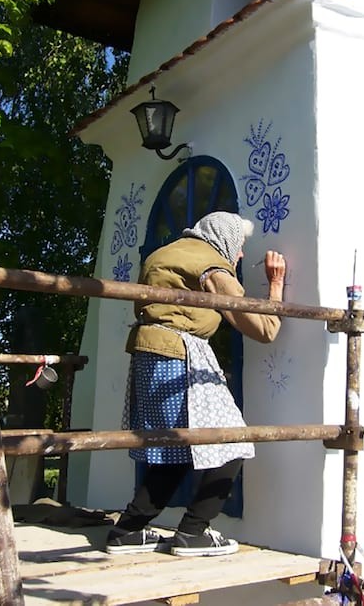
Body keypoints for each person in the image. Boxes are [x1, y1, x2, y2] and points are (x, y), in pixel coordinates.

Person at [106, 211, 286, 557]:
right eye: (241, 245)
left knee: (174, 450)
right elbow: (265, 329)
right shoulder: (212, 266)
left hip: (148, 355)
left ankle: (126, 531)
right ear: (225, 239)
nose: (242, 254)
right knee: (233, 439)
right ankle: (193, 532)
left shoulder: (163, 254)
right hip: (179, 354)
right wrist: (275, 285)